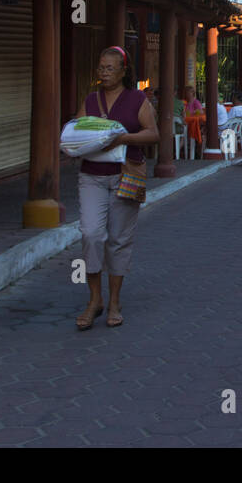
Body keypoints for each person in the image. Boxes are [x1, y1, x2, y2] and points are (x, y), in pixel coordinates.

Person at [76, 46, 159, 330]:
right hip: (92, 175)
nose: (104, 72)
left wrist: (123, 138)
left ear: (123, 71)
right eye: (101, 67)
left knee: (119, 240)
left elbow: (153, 134)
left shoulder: (137, 99)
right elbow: (77, 129)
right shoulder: (90, 99)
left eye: (110, 68)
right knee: (91, 233)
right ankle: (94, 299)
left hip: (126, 175)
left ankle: (114, 302)